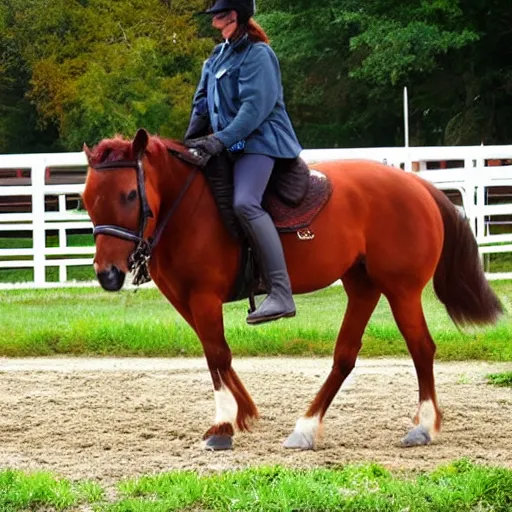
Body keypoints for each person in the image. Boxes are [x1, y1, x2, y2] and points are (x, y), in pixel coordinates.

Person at [184, 0, 303, 325]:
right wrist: (186, 145)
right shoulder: (217, 57)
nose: (213, 23)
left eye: (218, 17)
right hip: (230, 145)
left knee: (245, 203)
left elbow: (253, 110)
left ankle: (280, 292)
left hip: (262, 142)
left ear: (234, 16)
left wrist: (217, 140)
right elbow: (202, 106)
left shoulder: (259, 55)